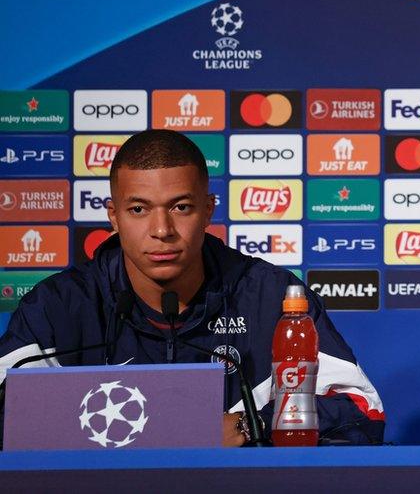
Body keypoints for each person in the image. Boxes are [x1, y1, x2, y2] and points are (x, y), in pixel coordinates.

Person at [0, 129, 384, 447]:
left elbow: (360, 410)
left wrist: (252, 426)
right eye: (138, 210)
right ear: (113, 217)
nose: (162, 230)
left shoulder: (271, 297)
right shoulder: (59, 306)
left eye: (181, 207)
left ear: (209, 210)